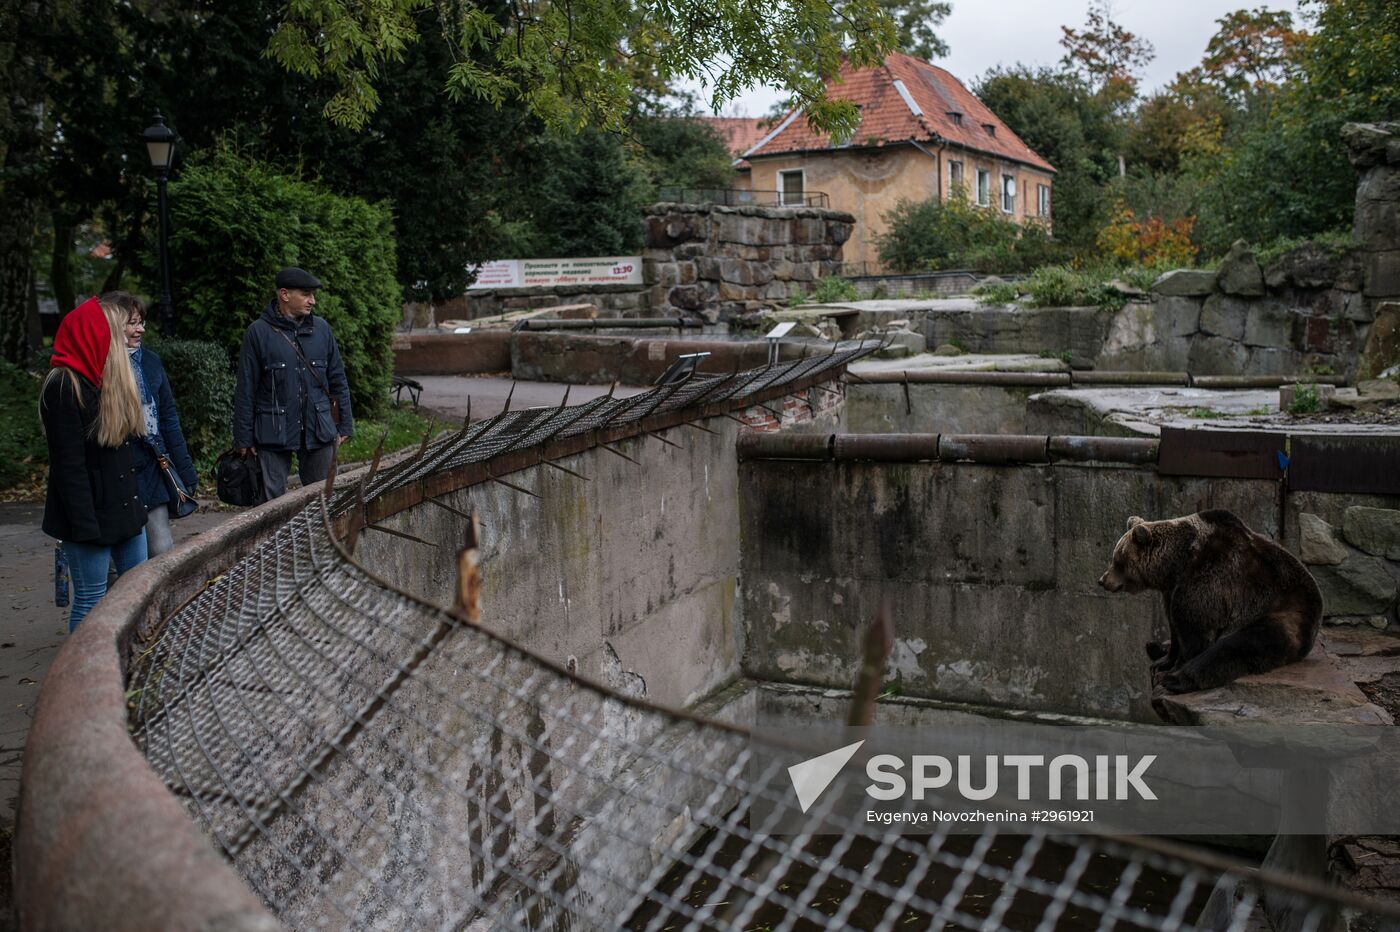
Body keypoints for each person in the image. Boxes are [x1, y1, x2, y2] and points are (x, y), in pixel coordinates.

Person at [40, 295, 149, 631]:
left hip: (124, 511)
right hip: (88, 519)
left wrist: (136, 514)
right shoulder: (63, 386)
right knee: (91, 599)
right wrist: (87, 531)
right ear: (93, 335)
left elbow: (121, 458)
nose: (123, 336)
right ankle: (82, 679)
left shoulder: (106, 379)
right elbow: (69, 469)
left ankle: (129, 669)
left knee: (139, 594)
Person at [233, 267, 353, 502]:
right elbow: (246, 389)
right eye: (306, 294)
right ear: (285, 295)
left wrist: (345, 424)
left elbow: (338, 379)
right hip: (272, 431)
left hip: (318, 428)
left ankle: (320, 540)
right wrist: (243, 439)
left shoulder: (322, 329)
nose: (313, 301)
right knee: (270, 508)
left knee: (325, 500)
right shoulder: (257, 333)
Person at [110, 292, 199, 557]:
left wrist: (185, 469)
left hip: (153, 464)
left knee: (161, 549)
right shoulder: (103, 365)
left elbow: (168, 417)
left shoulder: (151, 361)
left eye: (141, 322)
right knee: (124, 557)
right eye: (133, 323)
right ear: (115, 325)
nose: (140, 329)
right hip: (120, 470)